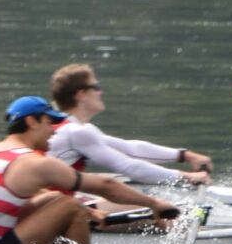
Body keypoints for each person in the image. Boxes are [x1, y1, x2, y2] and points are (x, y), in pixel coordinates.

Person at [0, 96, 183, 244]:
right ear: (31, 122)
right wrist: (153, 203)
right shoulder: (33, 163)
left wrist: (82, 209)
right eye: (50, 123)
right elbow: (104, 186)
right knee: (69, 205)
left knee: (58, 199)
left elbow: (13, 208)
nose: (54, 131)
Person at [45, 63, 213, 187]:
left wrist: (186, 156)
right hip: (50, 202)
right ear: (81, 94)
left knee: (121, 185)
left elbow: (131, 149)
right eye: (96, 86)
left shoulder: (76, 128)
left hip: (54, 196)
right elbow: (129, 166)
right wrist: (186, 177)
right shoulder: (75, 132)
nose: (100, 92)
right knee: (157, 212)